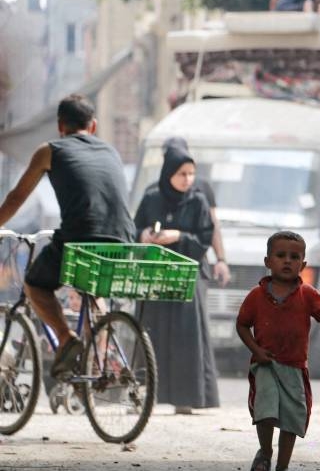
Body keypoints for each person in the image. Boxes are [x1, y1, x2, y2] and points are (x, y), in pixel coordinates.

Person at [0, 94, 135, 378]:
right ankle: (98, 353)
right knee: (91, 288)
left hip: (80, 238)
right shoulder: (111, 151)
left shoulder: (49, 150)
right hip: (123, 238)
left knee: (35, 285)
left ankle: (66, 337)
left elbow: (16, 198)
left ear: (60, 126)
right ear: (94, 125)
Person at [235, 231, 320, 471]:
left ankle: (283, 468)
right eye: (280, 255)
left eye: (294, 257)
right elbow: (242, 325)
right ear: (267, 261)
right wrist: (256, 351)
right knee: (266, 409)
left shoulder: (308, 294)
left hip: (295, 366)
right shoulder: (256, 296)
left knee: (292, 418)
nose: (287, 261)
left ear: (303, 265)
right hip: (266, 363)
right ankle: (265, 451)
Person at [135, 146, 220, 415]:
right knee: (150, 333)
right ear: (169, 173)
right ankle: (143, 394)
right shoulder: (151, 198)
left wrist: (179, 237)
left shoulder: (197, 202)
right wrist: (145, 235)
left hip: (186, 275)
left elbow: (205, 238)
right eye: (182, 173)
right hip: (156, 275)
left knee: (187, 336)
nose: (188, 179)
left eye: (192, 174)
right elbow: (135, 228)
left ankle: (186, 398)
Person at [157, 137, 231, 287]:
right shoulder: (156, 191)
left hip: (194, 266)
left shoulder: (202, 188)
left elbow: (212, 225)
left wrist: (221, 259)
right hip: (162, 269)